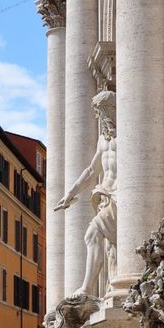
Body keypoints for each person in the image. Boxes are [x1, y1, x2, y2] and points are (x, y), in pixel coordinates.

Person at [54, 88, 117, 298]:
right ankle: (93, 288)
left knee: (94, 235)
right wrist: (70, 194)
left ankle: (88, 289)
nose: (101, 118)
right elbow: (92, 170)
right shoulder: (103, 140)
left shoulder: (127, 134)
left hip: (121, 195)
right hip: (106, 195)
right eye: (99, 113)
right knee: (101, 242)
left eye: (104, 112)